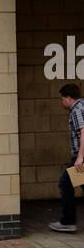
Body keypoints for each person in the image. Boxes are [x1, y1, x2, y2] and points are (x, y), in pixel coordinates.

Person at [50, 83, 84, 233]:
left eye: (62, 98)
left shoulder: (76, 110)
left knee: (65, 183)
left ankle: (68, 221)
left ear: (68, 98)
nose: (61, 102)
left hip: (81, 157)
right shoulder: (83, 105)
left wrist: (80, 158)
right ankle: (68, 221)